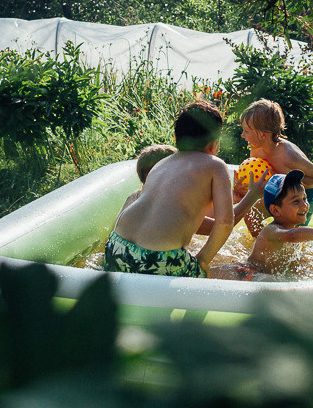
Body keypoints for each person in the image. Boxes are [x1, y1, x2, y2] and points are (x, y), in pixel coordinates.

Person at [105, 101, 264, 278]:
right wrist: (202, 260)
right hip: (159, 259)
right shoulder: (216, 166)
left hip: (115, 247)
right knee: (237, 273)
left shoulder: (162, 164)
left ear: (176, 138)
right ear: (214, 142)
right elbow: (225, 223)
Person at [240, 99, 313, 225]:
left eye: (246, 131)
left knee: (288, 230)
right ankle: (262, 242)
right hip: (283, 193)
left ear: (264, 135)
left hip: (308, 196)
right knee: (251, 216)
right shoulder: (256, 150)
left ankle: (292, 240)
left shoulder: (288, 155)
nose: (242, 135)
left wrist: (284, 179)